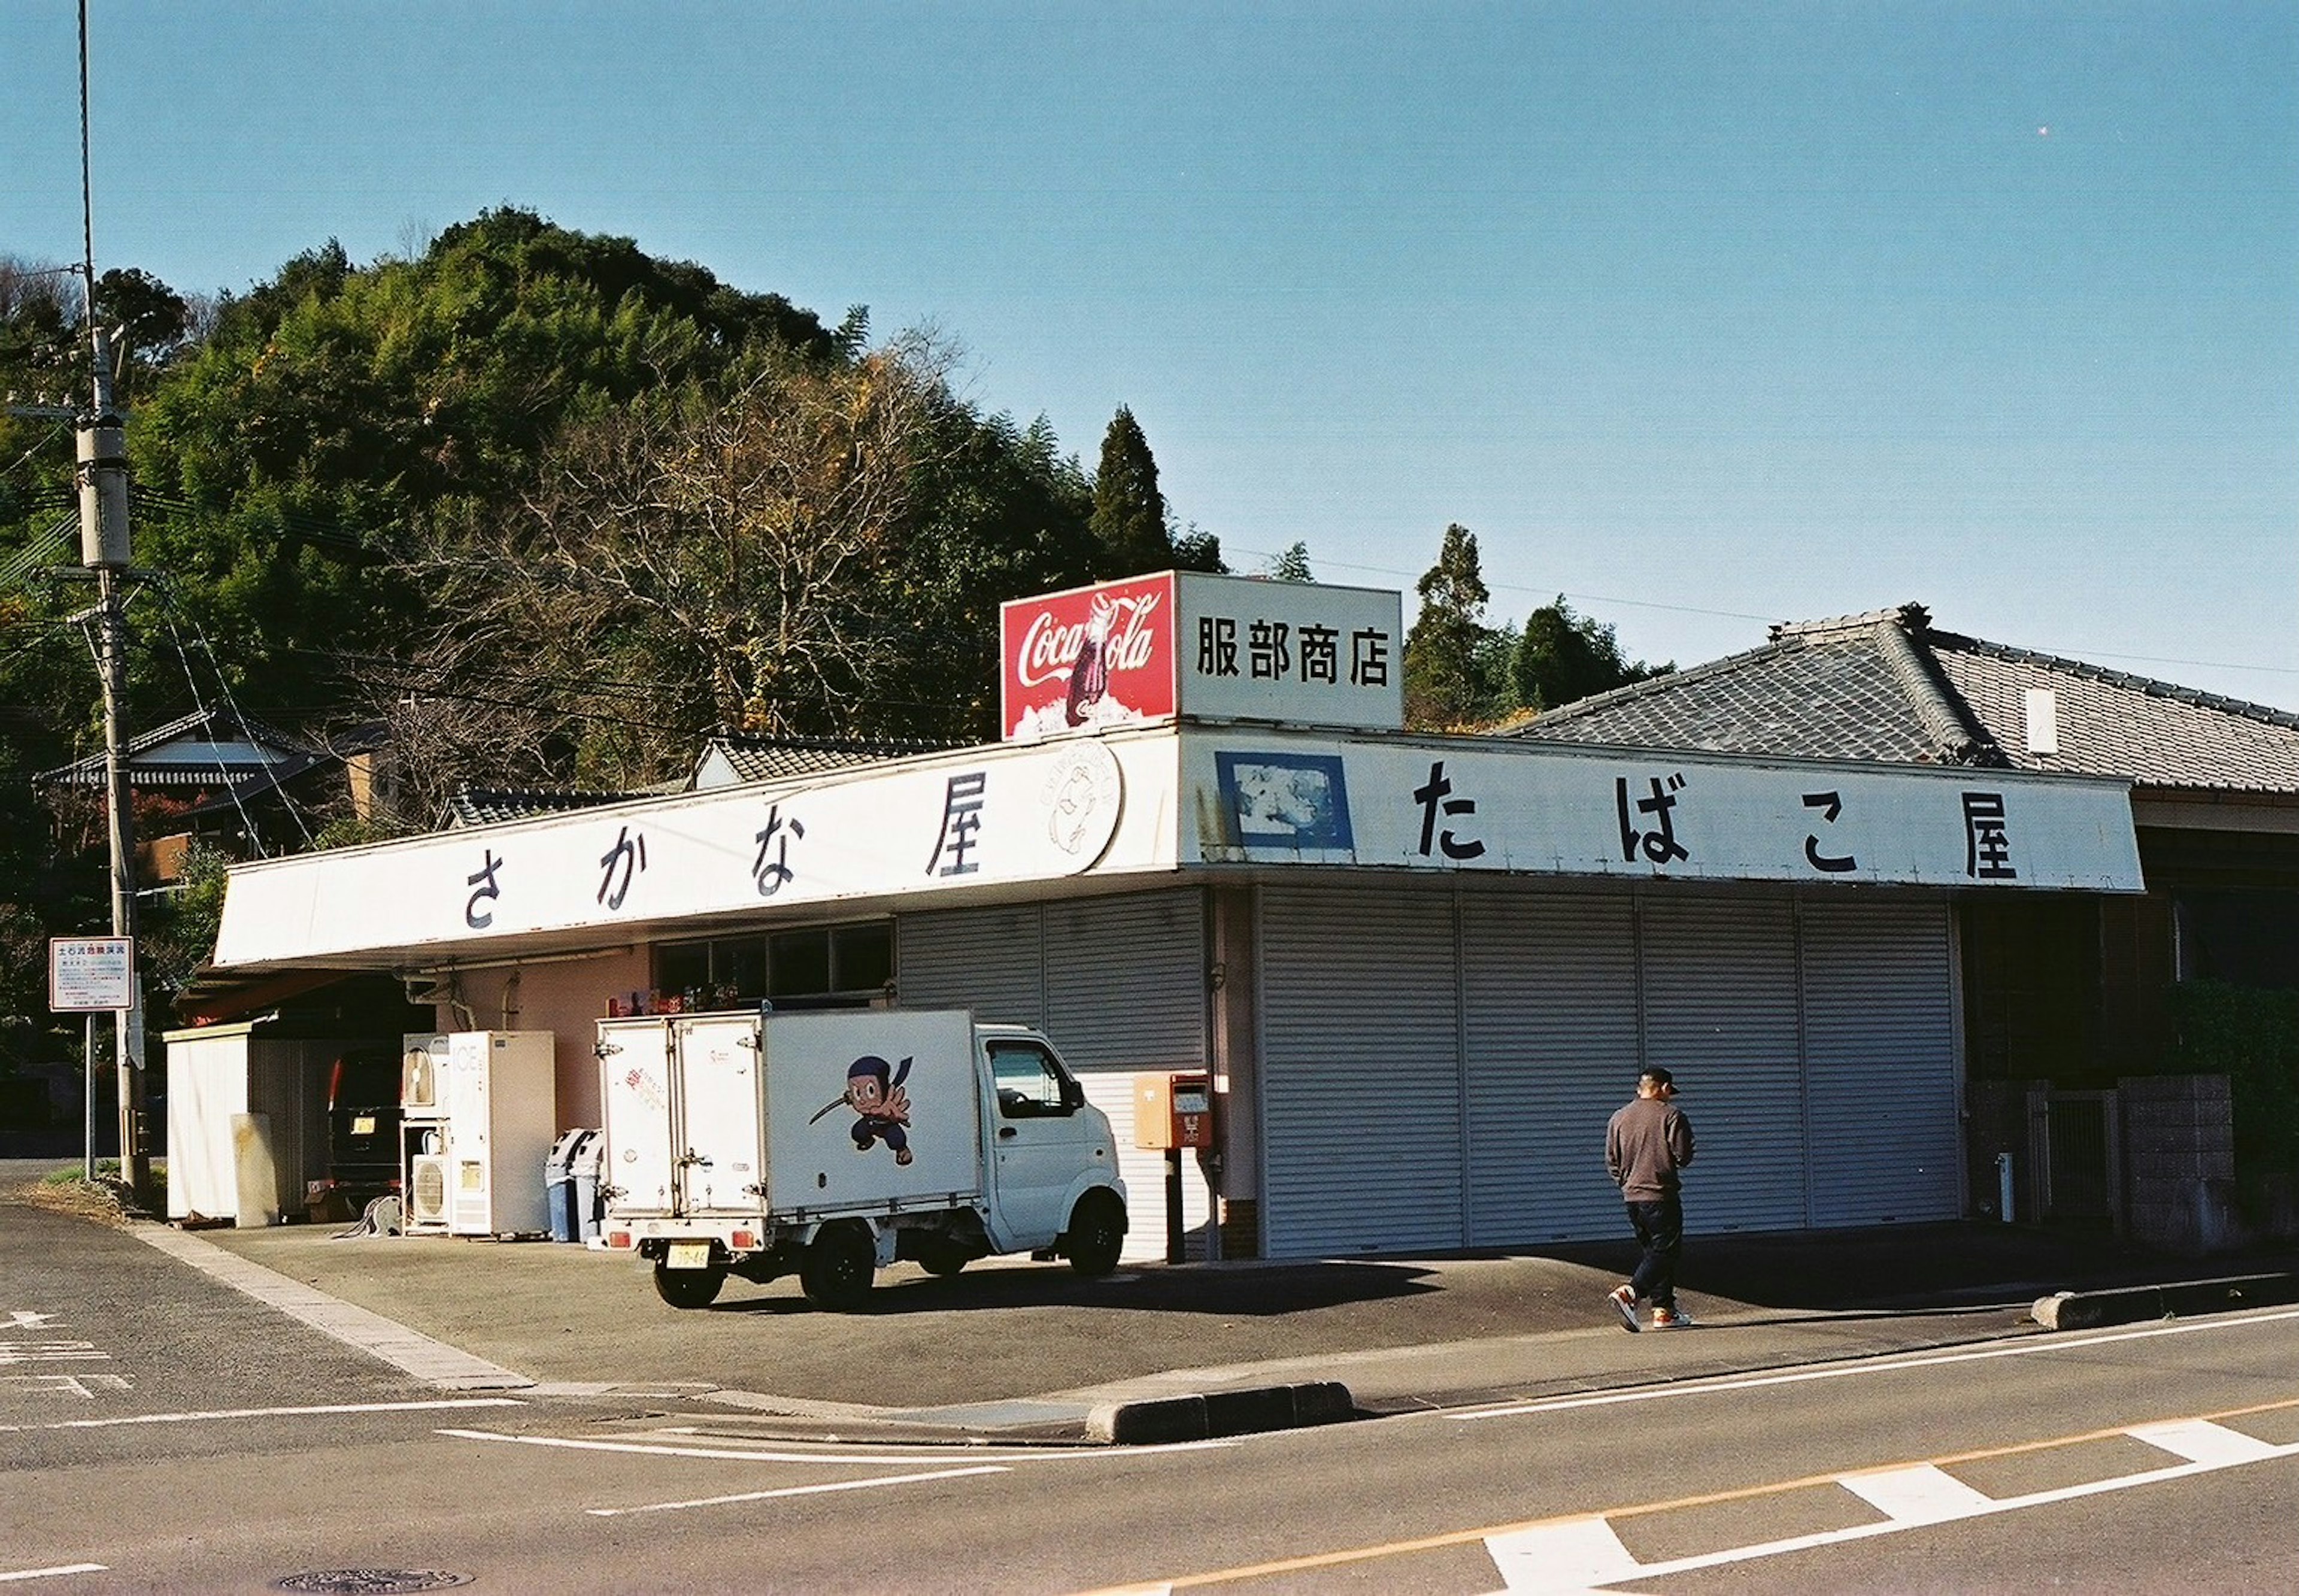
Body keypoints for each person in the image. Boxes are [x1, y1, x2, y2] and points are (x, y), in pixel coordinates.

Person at [1605, 1065, 1696, 1331]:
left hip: (1632, 1197)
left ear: (1639, 1088)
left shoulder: (1619, 1117)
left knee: (1653, 1253)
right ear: (1665, 1088)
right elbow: (1683, 1156)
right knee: (1667, 1251)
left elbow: (1611, 1161)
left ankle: (1664, 1311)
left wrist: (1627, 1183)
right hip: (1661, 1194)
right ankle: (1631, 1293)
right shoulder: (1672, 1115)